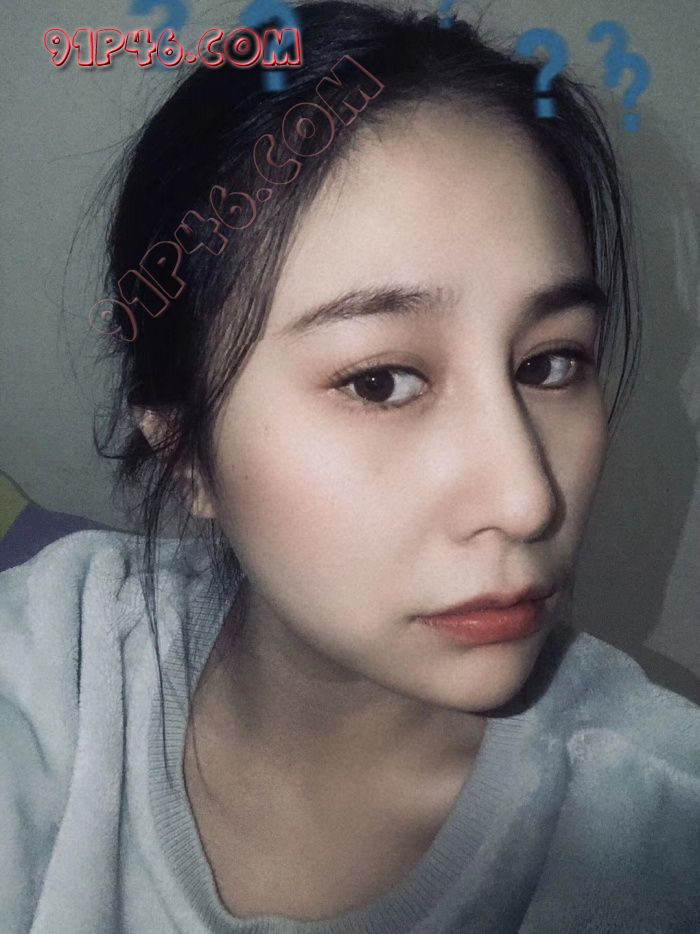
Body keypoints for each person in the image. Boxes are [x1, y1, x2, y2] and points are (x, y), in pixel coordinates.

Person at [2, 2, 699, 931]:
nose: (528, 499)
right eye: (380, 382)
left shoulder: (655, 833)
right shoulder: (52, 671)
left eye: (550, 364)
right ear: (186, 450)